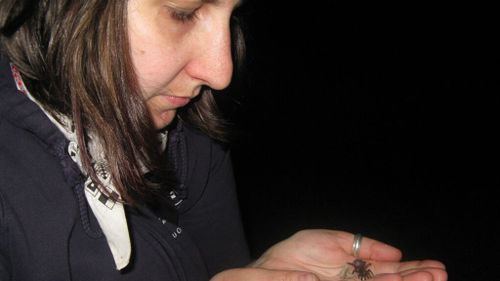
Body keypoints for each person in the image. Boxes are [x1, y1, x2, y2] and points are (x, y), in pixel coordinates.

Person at [0, 0, 448, 280]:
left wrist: (259, 272)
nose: (220, 72)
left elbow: (218, 268)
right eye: (183, 12)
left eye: (231, 14)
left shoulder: (188, 134)